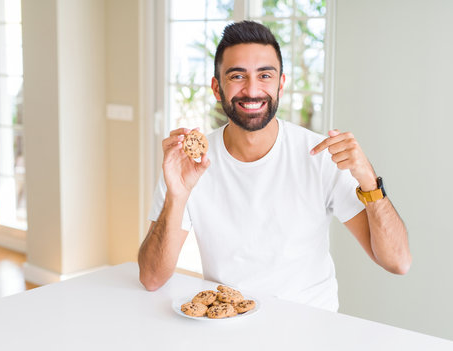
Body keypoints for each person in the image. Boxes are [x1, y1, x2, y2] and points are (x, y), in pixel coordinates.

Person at [138, 21, 411, 311]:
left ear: (281, 83)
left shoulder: (320, 157)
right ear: (217, 88)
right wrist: (176, 196)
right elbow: (152, 278)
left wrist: (369, 181)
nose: (252, 90)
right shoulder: (188, 166)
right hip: (230, 326)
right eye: (237, 76)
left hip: (311, 329)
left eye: (264, 75)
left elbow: (398, 262)